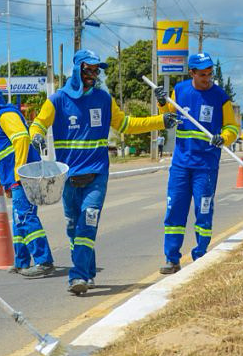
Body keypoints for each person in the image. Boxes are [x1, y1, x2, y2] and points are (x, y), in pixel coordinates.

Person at [29, 49, 178, 294]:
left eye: (96, 70)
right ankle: (88, 272)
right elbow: (39, 123)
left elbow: (126, 124)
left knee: (87, 224)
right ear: (77, 70)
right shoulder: (57, 100)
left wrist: (160, 121)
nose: (93, 74)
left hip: (96, 174)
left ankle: (77, 277)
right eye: (88, 69)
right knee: (73, 228)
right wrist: (36, 135)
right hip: (68, 177)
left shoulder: (104, 99)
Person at [153, 52, 238, 274]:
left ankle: (200, 255)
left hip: (206, 165)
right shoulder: (180, 91)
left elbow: (232, 127)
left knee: (204, 210)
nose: (207, 78)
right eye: (202, 75)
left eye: (210, 74)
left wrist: (224, 138)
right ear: (192, 73)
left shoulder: (221, 97)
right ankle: (172, 259)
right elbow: (168, 116)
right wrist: (162, 102)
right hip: (181, 164)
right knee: (175, 210)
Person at [0, 85, 54, 278]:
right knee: (19, 220)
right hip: (15, 178)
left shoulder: (5, 114)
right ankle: (21, 262)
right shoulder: (0, 120)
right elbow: (2, 155)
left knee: (25, 217)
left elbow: (22, 139)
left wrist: (19, 173)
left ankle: (44, 261)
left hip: (23, 177)